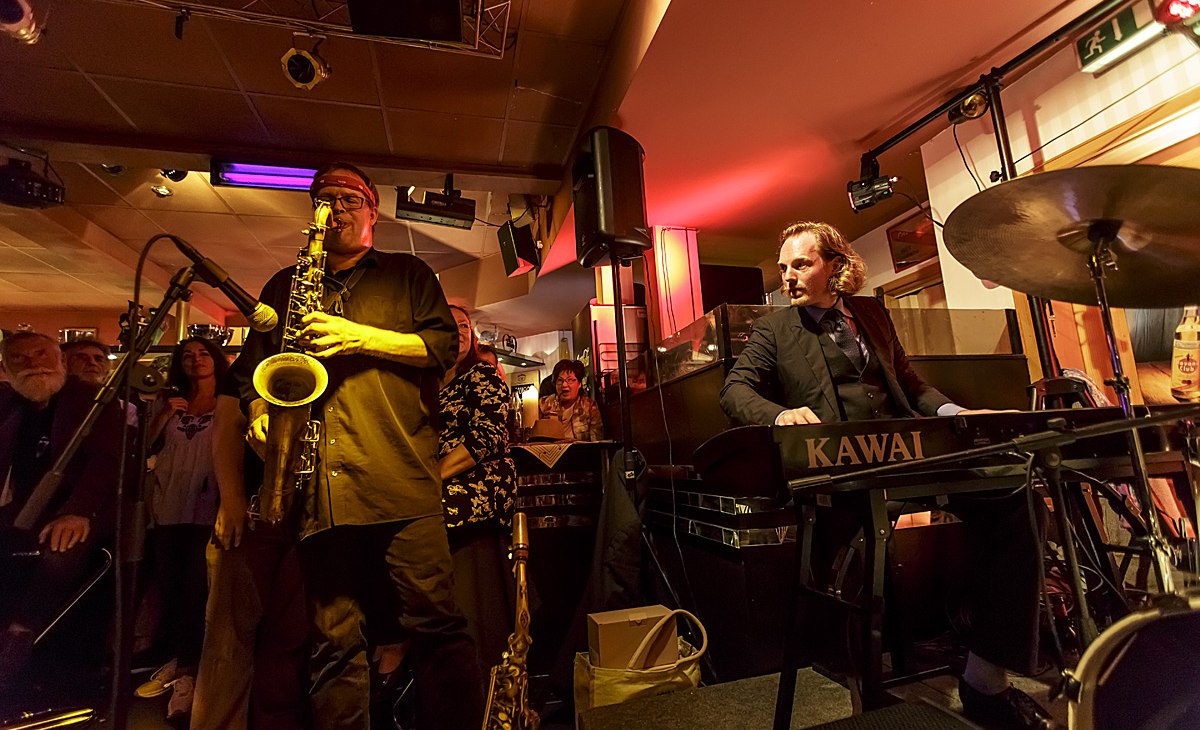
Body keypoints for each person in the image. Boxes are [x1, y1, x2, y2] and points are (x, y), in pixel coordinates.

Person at [720, 222, 1057, 730]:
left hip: (908, 453)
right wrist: (778, 415)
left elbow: (912, 385)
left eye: (801, 264)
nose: (787, 277)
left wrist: (956, 414)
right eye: (783, 266)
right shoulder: (775, 329)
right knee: (844, 567)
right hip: (840, 468)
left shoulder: (872, 313)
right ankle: (862, 699)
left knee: (1016, 499)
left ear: (834, 265)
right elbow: (734, 391)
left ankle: (986, 676)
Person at [226, 162, 481, 730]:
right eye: (322, 198)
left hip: (400, 478)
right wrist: (260, 410)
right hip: (319, 487)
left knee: (436, 627)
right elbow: (250, 373)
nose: (333, 207)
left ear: (373, 213)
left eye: (346, 198)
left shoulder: (409, 274)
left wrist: (359, 337)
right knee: (332, 641)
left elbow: (442, 345)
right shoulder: (283, 287)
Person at [0, 331, 121, 699]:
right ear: (6, 367)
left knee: (59, 552)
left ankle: (18, 637)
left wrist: (79, 511)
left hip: (80, 513)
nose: (33, 363)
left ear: (61, 361)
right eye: (20, 358)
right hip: (19, 514)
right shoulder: (6, 403)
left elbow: (108, 463)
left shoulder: (90, 399)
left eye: (41, 354)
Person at [136, 336, 226, 720]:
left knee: (199, 588)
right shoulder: (165, 401)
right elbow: (140, 450)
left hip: (211, 505)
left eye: (203, 352)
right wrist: (161, 417)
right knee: (173, 586)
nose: (196, 359)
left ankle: (190, 674)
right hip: (170, 504)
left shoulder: (230, 400)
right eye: (187, 355)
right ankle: (183, 663)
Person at [61, 338, 139, 426]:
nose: (92, 363)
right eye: (82, 358)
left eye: (99, 359)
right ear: (63, 364)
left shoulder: (125, 409)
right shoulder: (52, 404)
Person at [537, 359, 603, 442]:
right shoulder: (545, 404)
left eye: (570, 380)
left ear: (579, 384)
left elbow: (597, 443)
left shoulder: (589, 407)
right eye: (560, 380)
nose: (564, 385)